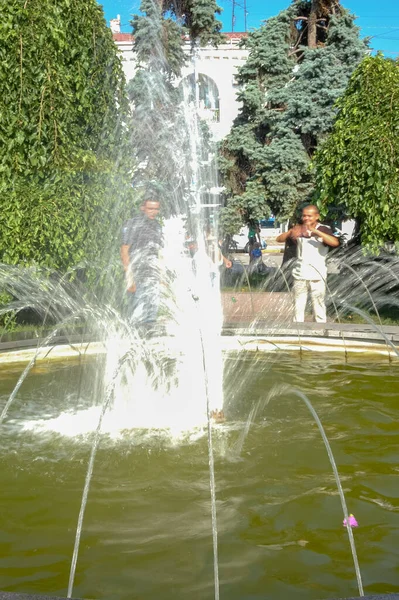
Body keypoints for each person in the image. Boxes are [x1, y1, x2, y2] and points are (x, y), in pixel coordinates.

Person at [276, 205, 340, 323]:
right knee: (298, 305)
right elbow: (279, 239)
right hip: (300, 273)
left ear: (317, 216)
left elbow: (335, 242)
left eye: (309, 216)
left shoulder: (324, 229)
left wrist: (315, 231)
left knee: (318, 304)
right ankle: (298, 330)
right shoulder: (298, 229)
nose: (306, 218)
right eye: (304, 215)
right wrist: (290, 231)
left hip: (317, 274)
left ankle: (320, 328)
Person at [120, 196, 163, 327]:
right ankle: (135, 343)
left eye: (156, 209)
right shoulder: (133, 224)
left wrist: (161, 276)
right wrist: (129, 278)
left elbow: (158, 252)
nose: (153, 212)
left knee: (151, 315)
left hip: (153, 276)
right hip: (137, 276)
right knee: (137, 315)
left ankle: (150, 342)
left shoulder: (157, 226)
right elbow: (124, 251)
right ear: (142, 208)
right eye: (150, 208)